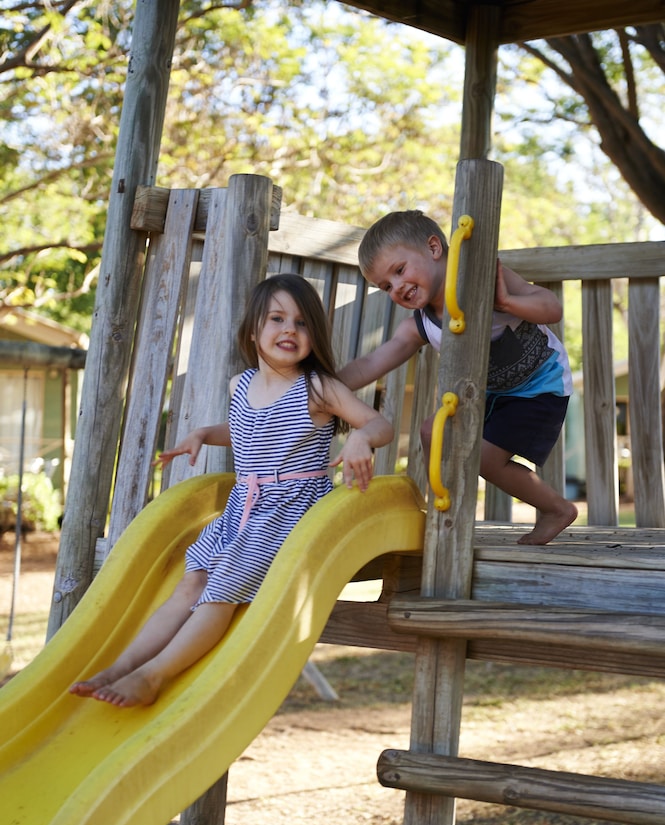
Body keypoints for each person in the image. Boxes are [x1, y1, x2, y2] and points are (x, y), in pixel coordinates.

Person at [70, 273, 393, 708]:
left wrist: (359, 438)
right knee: (190, 583)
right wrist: (205, 432)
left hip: (288, 510)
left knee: (219, 592)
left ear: (314, 335)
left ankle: (153, 676)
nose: (289, 330)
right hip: (244, 507)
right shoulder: (239, 386)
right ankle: (120, 666)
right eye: (277, 318)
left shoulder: (318, 387)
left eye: (301, 323)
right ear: (254, 330)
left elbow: (380, 424)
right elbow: (251, 430)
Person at [337, 209, 577, 545]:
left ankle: (556, 509)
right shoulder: (419, 325)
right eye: (386, 286)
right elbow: (371, 362)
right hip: (487, 392)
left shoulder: (482, 281)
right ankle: (442, 510)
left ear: (434, 248)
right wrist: (324, 386)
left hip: (539, 385)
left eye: (400, 270)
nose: (397, 288)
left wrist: (509, 302)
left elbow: (551, 306)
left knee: (485, 459)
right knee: (430, 431)